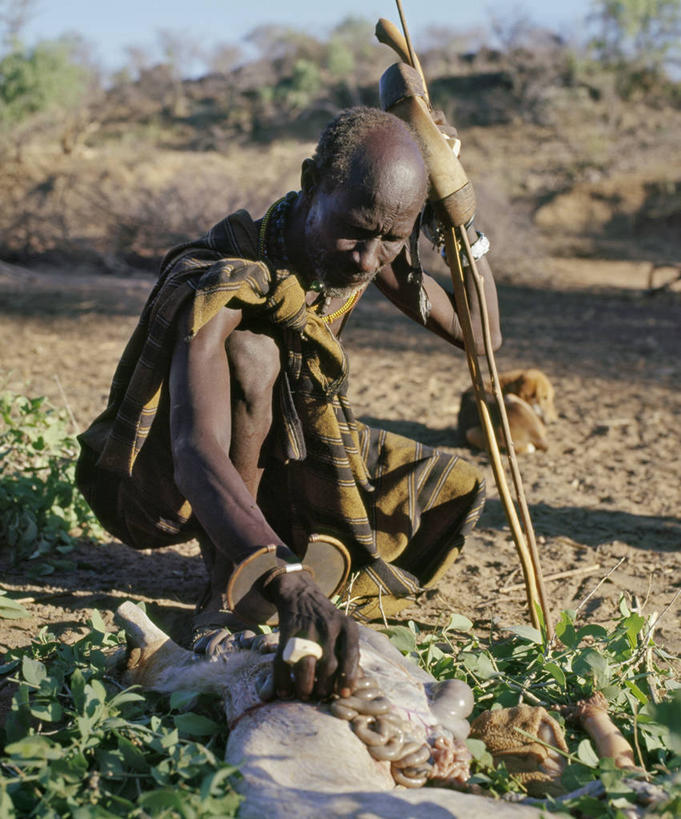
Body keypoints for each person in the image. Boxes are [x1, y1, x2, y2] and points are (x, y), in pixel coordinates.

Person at [76, 106, 501, 704]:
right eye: (357, 231)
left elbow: (482, 335)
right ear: (310, 183)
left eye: (392, 239)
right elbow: (194, 448)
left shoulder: (364, 245)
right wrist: (291, 584)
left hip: (284, 457)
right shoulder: (227, 278)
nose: (368, 260)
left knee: (442, 487)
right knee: (255, 356)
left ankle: (290, 557)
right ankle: (228, 588)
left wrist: (460, 220)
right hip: (170, 478)